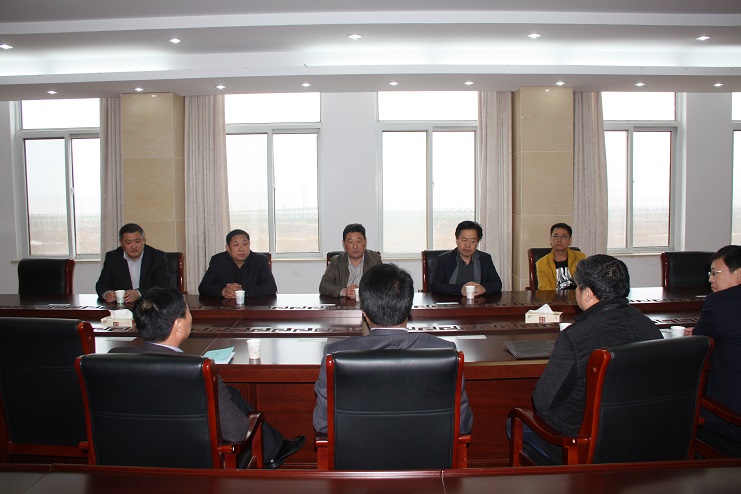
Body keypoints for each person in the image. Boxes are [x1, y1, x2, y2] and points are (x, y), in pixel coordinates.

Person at [110, 287, 305, 468]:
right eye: (188, 311)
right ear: (178, 325)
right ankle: (273, 450)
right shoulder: (198, 371)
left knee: (230, 394)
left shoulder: (114, 359)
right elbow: (237, 433)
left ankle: (274, 448)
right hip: (191, 467)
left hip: (128, 461)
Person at [521, 254, 663, 462]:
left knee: (516, 423)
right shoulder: (650, 328)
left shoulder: (576, 336)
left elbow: (542, 402)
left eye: (577, 286)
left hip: (582, 445)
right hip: (642, 441)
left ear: (587, 293)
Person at [313, 263, 473, 435]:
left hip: (359, 451)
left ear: (364, 313)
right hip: (428, 452)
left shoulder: (335, 353)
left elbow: (323, 424)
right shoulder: (445, 351)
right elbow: (462, 424)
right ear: (408, 308)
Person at [692, 245, 741, 443]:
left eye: (715, 273)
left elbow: (698, 348)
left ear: (738, 275)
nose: (710, 279)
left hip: (730, 418)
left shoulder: (718, 302)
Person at [95, 223, 170, 304]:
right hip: (122, 306)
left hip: (151, 304)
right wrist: (106, 293)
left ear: (144, 240)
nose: (134, 246)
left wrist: (139, 293)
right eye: (128, 242)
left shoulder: (157, 257)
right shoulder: (112, 258)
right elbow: (102, 284)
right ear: (121, 243)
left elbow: (163, 285)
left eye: (137, 241)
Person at [430, 220, 502, 296]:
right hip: (452, 301)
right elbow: (435, 286)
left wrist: (483, 288)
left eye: (472, 241)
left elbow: (497, 284)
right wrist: (460, 289)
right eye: (464, 240)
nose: (468, 245)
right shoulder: (444, 259)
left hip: (478, 301)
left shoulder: (485, 259)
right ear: (457, 240)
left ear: (477, 242)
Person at [199, 229, 277, 298]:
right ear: (227, 248)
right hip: (225, 306)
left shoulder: (260, 260)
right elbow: (203, 287)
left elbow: (271, 287)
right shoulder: (218, 261)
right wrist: (223, 291)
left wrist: (242, 292)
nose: (241, 249)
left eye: (245, 244)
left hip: (253, 306)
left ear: (249, 245)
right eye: (236, 245)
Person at [319, 223, 382, 299]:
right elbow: (323, 286)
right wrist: (344, 291)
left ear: (365, 241)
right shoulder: (336, 262)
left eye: (358, 241)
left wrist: (363, 292)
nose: (355, 246)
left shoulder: (375, 260)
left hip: (368, 303)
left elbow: (383, 286)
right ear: (344, 243)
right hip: (343, 304)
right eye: (350, 242)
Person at [535, 223, 587, 290]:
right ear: (551, 240)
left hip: (576, 295)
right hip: (553, 296)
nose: (559, 240)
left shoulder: (580, 257)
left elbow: (585, 283)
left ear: (570, 241)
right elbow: (544, 289)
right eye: (555, 236)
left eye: (563, 237)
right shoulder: (541, 264)